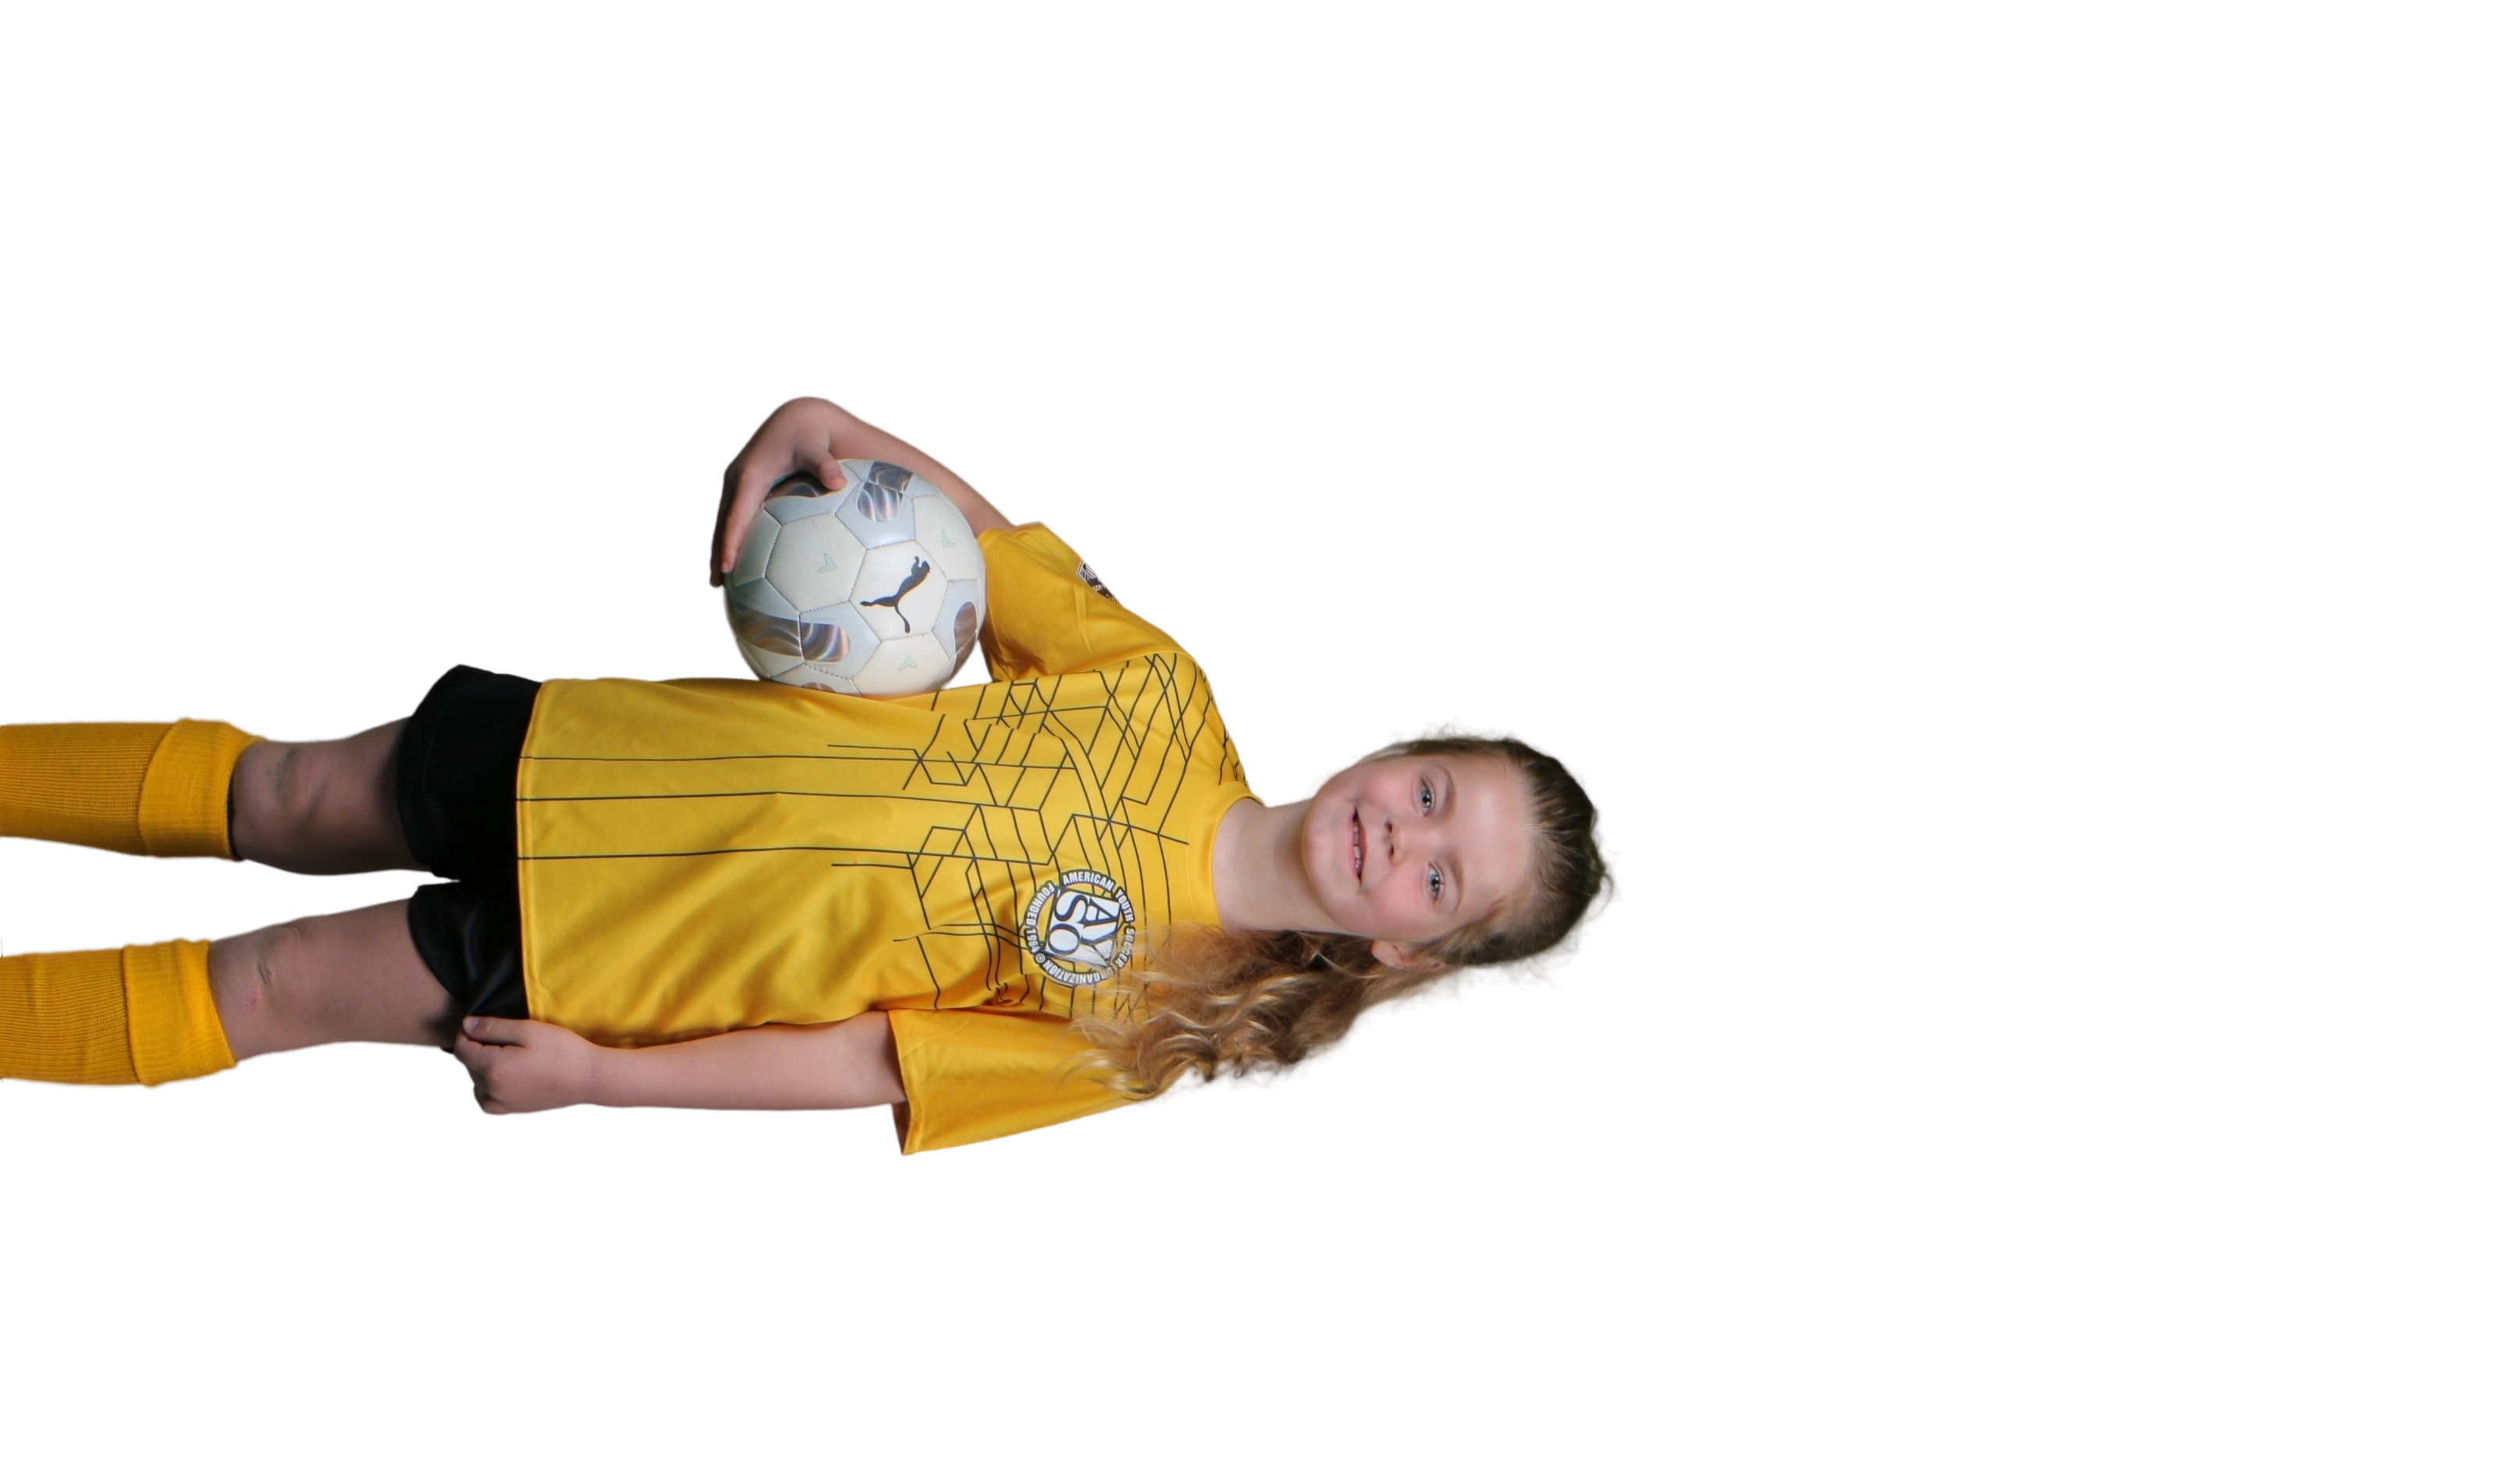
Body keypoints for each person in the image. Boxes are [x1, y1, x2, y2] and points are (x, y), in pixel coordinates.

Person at [0, 395, 1626, 1157]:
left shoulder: (1166, 1025)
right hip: (603, 761)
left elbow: (865, 1065)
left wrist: (604, 1086)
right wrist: (820, 422)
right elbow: (978, 545)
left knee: (273, 982)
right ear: (1397, 748)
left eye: (1441, 878)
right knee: (280, 797)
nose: (1400, 836)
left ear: (1409, 947)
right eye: (1433, 793)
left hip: (615, 965)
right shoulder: (1155, 686)